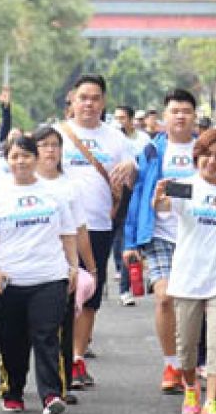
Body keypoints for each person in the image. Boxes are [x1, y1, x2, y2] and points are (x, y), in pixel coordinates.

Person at [0, 135, 78, 414]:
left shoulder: (54, 194)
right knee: (11, 340)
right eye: (15, 156)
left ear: (36, 159)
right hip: (10, 280)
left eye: (26, 155)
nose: (21, 161)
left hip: (49, 277)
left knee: (47, 336)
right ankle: (13, 391)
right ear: (7, 161)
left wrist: (72, 266)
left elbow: (67, 232)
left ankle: (51, 394)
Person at [154, 127, 216, 414]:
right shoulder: (185, 186)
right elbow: (163, 208)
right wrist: (157, 198)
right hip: (189, 276)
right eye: (206, 155)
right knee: (187, 346)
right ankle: (191, 388)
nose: (212, 161)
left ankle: (212, 403)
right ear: (197, 157)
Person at [58, 74, 136, 388]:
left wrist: (131, 167)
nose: (88, 103)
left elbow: (133, 165)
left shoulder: (116, 138)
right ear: (72, 100)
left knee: (89, 294)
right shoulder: (57, 135)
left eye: (95, 98)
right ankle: (58, 359)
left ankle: (77, 359)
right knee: (60, 294)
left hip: (99, 227)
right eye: (83, 97)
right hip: (61, 229)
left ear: (103, 103)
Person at [124, 89, 199, 394]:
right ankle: (172, 364)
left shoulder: (205, 150)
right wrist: (130, 241)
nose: (180, 116)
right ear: (164, 117)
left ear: (194, 116)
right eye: (174, 111)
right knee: (165, 297)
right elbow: (140, 197)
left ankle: (193, 360)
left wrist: (176, 195)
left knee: (195, 304)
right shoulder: (152, 151)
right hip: (160, 235)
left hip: (197, 236)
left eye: (186, 111)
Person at [32, 125, 96, 403]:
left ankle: (61, 384)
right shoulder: (21, 182)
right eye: (44, 145)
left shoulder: (70, 186)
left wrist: (90, 266)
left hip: (62, 267)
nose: (50, 150)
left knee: (63, 326)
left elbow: (79, 229)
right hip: (28, 264)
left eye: (55, 145)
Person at [112, 104, 151, 306]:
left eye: (122, 118)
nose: (118, 122)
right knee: (119, 239)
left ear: (131, 119)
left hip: (137, 196)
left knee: (131, 242)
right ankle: (121, 282)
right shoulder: (110, 138)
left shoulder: (144, 140)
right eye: (116, 118)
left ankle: (129, 284)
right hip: (116, 197)